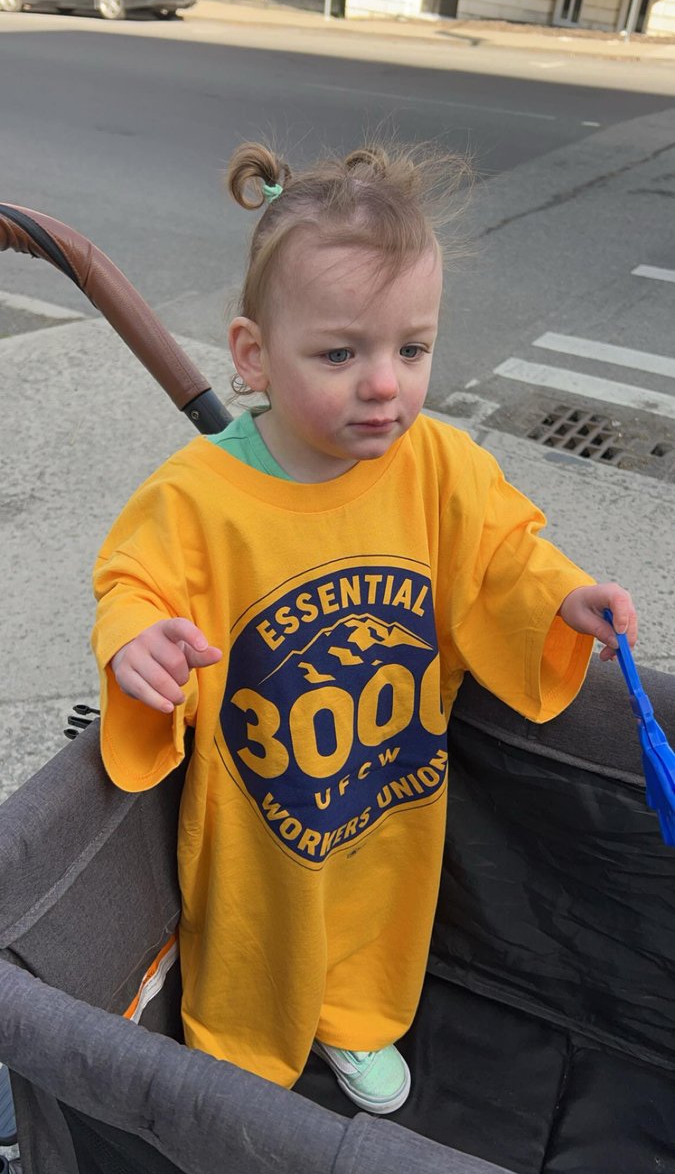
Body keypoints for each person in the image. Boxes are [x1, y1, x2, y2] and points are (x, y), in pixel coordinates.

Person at [92, 140, 637, 1116]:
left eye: (412, 349)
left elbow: (502, 554)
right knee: (264, 928)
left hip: (388, 778)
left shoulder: (439, 465)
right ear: (254, 354)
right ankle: (244, 1052)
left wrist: (560, 598)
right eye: (342, 354)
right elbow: (136, 578)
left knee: (376, 909)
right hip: (268, 800)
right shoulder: (202, 496)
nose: (385, 383)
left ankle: (356, 1019)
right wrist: (138, 639)